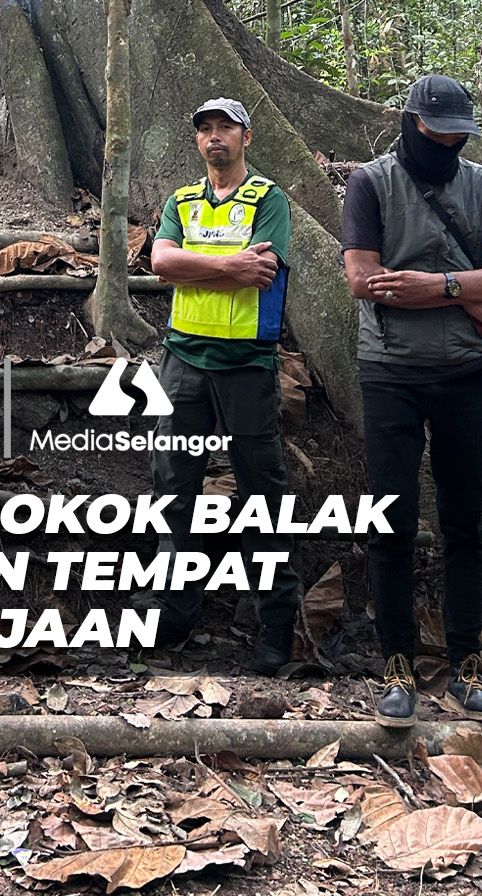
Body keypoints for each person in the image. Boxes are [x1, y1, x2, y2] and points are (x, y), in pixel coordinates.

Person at [340, 74, 482, 726]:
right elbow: (364, 279)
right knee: (391, 523)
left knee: (464, 524)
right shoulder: (370, 182)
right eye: (438, 133)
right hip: (388, 372)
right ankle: (397, 670)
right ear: (411, 123)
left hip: (465, 374)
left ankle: (467, 668)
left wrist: (440, 285)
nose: (448, 144)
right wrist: (474, 290)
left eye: (458, 136)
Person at [149, 96, 301, 674]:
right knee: (172, 488)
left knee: (263, 492)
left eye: (226, 128)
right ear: (197, 141)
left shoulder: (269, 199)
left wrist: (200, 261)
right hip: (183, 360)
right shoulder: (180, 201)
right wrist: (225, 266)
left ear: (247, 137)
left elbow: (261, 267)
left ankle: (275, 628)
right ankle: (172, 617)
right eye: (206, 129)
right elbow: (161, 262)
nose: (216, 137)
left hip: (247, 366)